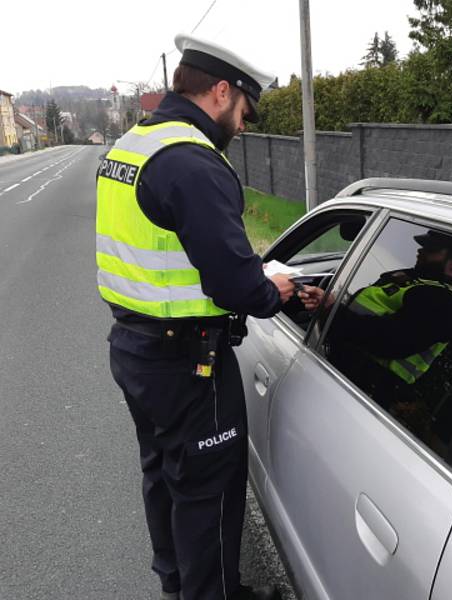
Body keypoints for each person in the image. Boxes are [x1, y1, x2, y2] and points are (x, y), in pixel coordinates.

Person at [96, 33, 294, 600]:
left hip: (136, 350)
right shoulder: (193, 163)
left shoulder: (134, 144)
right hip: (189, 364)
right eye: (246, 111)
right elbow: (235, 284)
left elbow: (172, 245)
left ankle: (178, 582)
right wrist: (274, 290)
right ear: (222, 92)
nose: (245, 125)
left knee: (164, 473)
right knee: (209, 490)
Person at [299, 230, 452, 408]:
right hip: (338, 371)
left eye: (431, 249)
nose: (420, 251)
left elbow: (389, 339)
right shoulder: (416, 282)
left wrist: (333, 310)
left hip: (363, 395)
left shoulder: (443, 303)